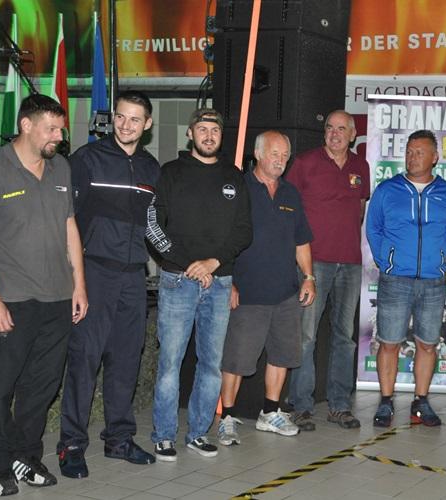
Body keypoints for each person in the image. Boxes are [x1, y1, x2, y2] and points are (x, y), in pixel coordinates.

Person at [0, 94, 88, 496]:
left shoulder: (61, 167)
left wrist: (79, 285)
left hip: (57, 299)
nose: (59, 136)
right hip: (10, 300)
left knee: (42, 387)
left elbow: (69, 227)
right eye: (51, 129)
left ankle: (25, 455)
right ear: (26, 125)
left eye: (61, 129)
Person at [56, 90, 160, 478]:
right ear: (112, 118)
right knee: (84, 360)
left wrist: (185, 261)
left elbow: (154, 225)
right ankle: (71, 445)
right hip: (94, 273)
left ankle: (119, 439)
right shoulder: (87, 159)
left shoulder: (151, 169)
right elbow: (66, 221)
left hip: (134, 276)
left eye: (135, 119)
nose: (126, 125)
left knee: (127, 360)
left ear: (147, 124)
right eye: (120, 117)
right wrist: (74, 279)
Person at [148, 109, 252, 462]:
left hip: (219, 282)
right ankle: (164, 436)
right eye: (202, 129)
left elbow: (244, 231)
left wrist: (212, 263)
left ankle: (197, 433)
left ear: (221, 136)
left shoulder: (234, 177)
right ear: (190, 133)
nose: (209, 136)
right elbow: (152, 225)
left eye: (214, 130)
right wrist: (188, 264)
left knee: (211, 364)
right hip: (178, 280)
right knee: (170, 363)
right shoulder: (170, 173)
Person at [217, 131, 315, 445]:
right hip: (247, 292)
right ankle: (227, 417)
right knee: (236, 360)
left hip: (285, 293)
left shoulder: (291, 193)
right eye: (275, 153)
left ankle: (270, 413)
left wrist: (309, 276)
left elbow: (301, 240)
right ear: (258, 154)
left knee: (282, 356)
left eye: (285, 155)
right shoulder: (238, 189)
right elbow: (221, 238)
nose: (280, 160)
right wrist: (228, 280)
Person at [366, 129, 446, 427]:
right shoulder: (387, 190)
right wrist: (387, 261)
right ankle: (385, 401)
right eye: (409, 151)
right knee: (389, 342)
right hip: (395, 280)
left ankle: (421, 401)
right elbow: (373, 228)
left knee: (428, 344)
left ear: (435, 157)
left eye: (419, 152)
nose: (412, 157)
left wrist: (439, 257)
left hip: (433, 282)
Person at [285, 110, 370, 431]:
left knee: (345, 338)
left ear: (353, 135)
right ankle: (301, 406)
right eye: (330, 128)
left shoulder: (361, 166)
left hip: (350, 263)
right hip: (313, 263)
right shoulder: (305, 163)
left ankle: (339, 406)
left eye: (341, 129)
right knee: (306, 336)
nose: (335, 134)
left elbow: (359, 210)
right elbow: (290, 210)